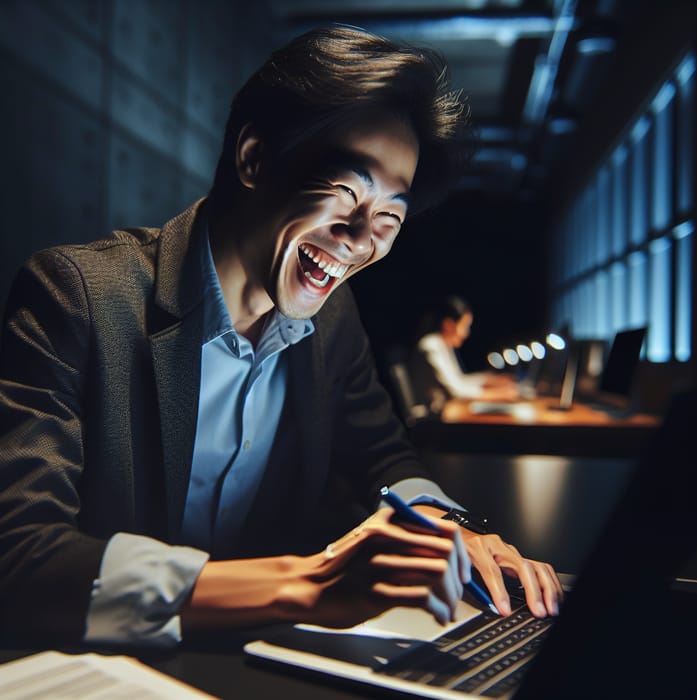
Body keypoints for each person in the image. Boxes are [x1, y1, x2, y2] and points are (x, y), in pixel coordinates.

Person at [0, 25, 562, 648]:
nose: (358, 236)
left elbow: (381, 456)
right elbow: (19, 558)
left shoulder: (333, 314)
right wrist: (305, 585)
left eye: (388, 217)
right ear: (255, 158)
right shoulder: (78, 294)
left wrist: (446, 530)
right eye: (348, 191)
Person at [410, 295, 520, 412]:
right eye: (464, 326)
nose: (466, 333)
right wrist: (497, 395)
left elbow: (458, 380)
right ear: (448, 325)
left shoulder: (441, 345)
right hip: (431, 421)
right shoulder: (431, 346)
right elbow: (456, 391)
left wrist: (487, 380)